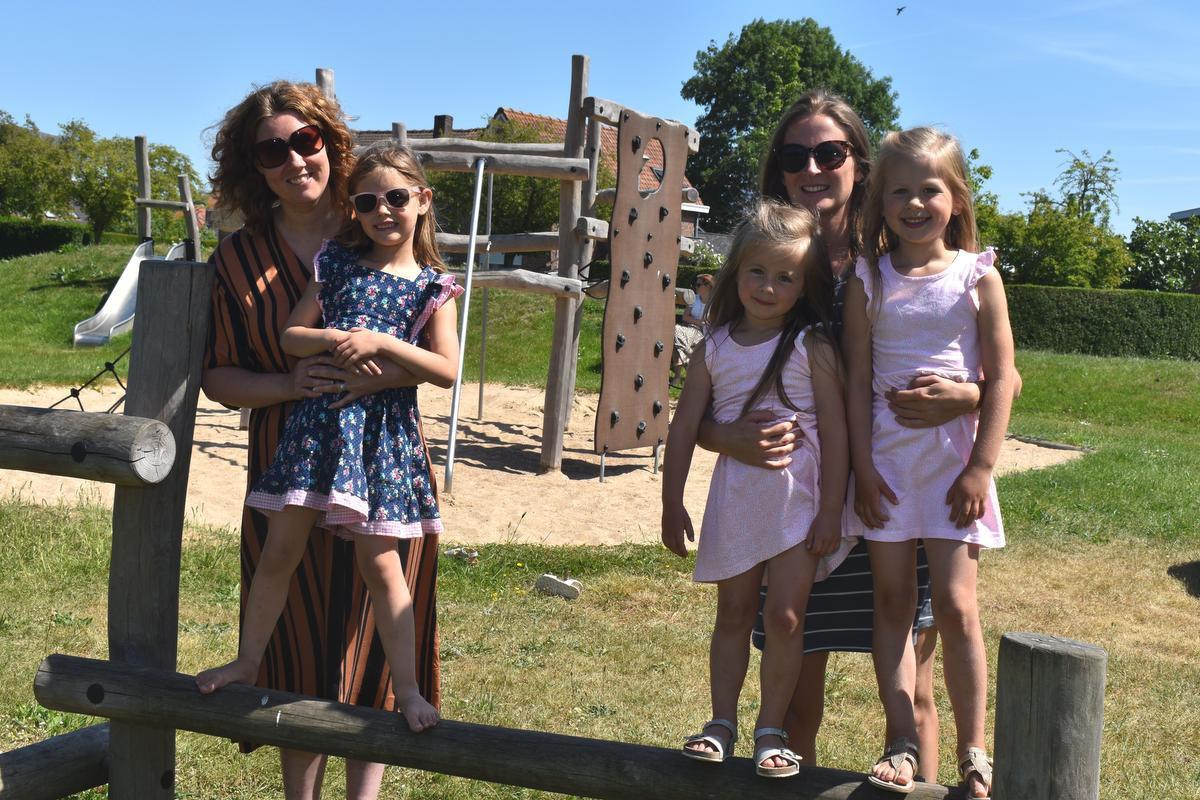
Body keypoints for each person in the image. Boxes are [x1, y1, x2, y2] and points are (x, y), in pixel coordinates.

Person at [200, 82, 441, 798]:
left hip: (381, 455)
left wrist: (380, 371)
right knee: (295, 637)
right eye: (271, 151)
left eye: (304, 141)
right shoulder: (238, 259)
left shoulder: (378, 219)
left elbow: (435, 352)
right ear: (253, 166)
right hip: (293, 455)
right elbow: (218, 374)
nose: (293, 161)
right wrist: (289, 384)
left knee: (377, 623)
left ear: (330, 143)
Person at [704, 90, 948, 778]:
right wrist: (726, 438)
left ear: (859, 164)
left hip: (896, 490)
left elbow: (992, 364)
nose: (812, 168)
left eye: (829, 153)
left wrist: (975, 392)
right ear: (778, 171)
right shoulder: (765, 267)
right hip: (797, 508)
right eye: (794, 156)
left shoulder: (906, 257)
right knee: (796, 697)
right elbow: (710, 390)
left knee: (913, 695)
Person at [845, 127, 1013, 797]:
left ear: (957, 198)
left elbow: (1001, 381)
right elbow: (857, 381)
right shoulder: (868, 279)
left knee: (956, 607)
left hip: (953, 473)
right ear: (879, 202)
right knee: (892, 605)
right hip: (887, 471)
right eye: (899, 192)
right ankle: (901, 739)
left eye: (930, 190)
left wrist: (981, 468)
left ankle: (975, 750)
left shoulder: (979, 277)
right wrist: (862, 468)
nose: (914, 204)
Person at [661, 201, 851, 779]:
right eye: (757, 272)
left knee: (787, 617)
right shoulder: (713, 347)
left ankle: (771, 729)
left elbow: (837, 433)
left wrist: (831, 511)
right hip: (737, 500)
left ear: (805, 284)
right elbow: (684, 427)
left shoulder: (813, 345)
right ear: (736, 272)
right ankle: (721, 722)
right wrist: (671, 502)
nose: (769, 287)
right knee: (734, 613)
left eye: (786, 277)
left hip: (799, 505)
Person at [671, 273, 715, 387]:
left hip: (704, 333)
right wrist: (700, 322)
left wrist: (701, 323)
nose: (696, 287)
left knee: (679, 340)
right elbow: (685, 317)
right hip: (690, 328)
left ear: (708, 286)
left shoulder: (715, 302)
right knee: (677, 331)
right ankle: (690, 358)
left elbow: (715, 322)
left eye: (698, 284)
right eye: (696, 284)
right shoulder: (694, 298)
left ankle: (678, 376)